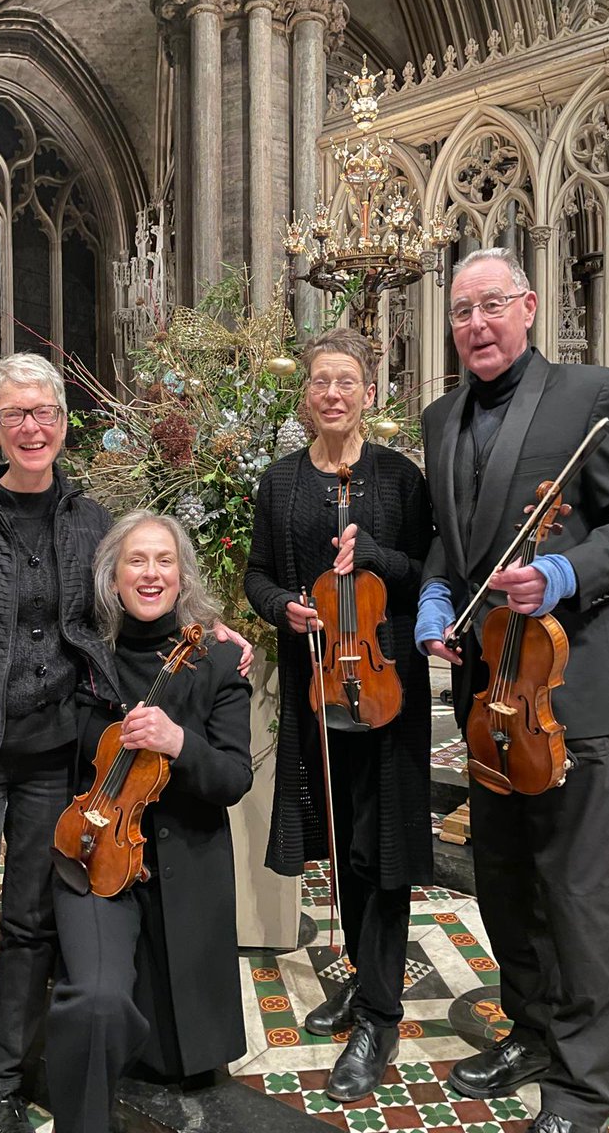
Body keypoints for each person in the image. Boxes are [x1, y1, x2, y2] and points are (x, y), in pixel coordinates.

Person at [0, 352, 250, 1133]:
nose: (31, 426)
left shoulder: (90, 521)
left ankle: (0, 1080)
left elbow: (138, 586)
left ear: (63, 423)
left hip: (54, 757)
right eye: (15, 414)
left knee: (31, 928)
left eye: (43, 411)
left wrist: (211, 629)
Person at [415, 247, 609, 1133]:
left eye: (491, 305)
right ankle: (530, 1030)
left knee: (575, 889)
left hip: (565, 688)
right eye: (461, 311)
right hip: (486, 694)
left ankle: (584, 1086)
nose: (475, 324)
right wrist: (436, 595)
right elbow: (453, 537)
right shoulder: (441, 416)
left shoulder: (591, 394)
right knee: (504, 878)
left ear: (527, 307)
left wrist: (563, 573)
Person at [244, 327, 434, 1102]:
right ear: (306, 394)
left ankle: (380, 1017)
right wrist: (283, 608)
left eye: (346, 381)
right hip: (317, 688)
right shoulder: (280, 482)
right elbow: (259, 574)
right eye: (321, 380)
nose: (332, 393)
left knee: (380, 851)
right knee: (342, 846)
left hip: (386, 689)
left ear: (368, 392)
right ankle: (364, 980)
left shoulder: (400, 479)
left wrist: (379, 558)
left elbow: (428, 571)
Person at [45, 511, 252, 1133]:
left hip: (183, 856)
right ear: (112, 577)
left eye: (165, 560)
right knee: (97, 999)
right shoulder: (86, 654)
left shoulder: (218, 657)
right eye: (136, 560)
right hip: (97, 853)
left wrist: (178, 742)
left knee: (182, 1046)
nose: (151, 573)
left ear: (183, 575)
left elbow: (233, 778)